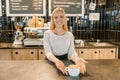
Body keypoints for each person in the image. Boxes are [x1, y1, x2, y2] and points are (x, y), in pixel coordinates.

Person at [43, 7, 87, 75]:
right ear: (53, 19)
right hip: (51, 62)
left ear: (64, 18)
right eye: (56, 17)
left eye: (61, 16)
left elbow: (72, 53)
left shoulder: (70, 35)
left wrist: (77, 60)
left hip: (64, 62)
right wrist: (57, 61)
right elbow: (48, 53)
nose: (59, 19)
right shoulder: (47, 34)